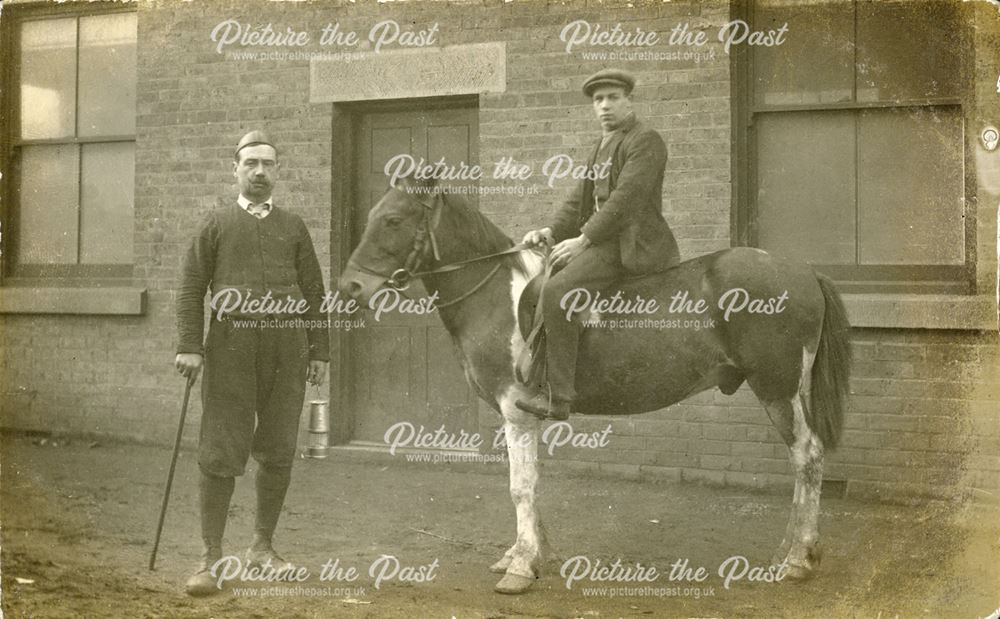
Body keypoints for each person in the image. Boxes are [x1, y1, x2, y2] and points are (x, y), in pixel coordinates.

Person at [174, 130, 329, 596]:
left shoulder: (294, 226)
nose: (260, 172)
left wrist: (319, 349)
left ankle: (261, 549)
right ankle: (211, 557)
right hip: (231, 347)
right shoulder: (216, 223)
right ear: (235, 170)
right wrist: (190, 346)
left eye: (268, 164)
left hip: (287, 348)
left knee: (279, 447)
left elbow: (315, 293)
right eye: (251, 164)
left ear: (277, 171)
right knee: (221, 447)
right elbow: (189, 290)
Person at [517, 69, 680, 420]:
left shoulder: (645, 140)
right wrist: (550, 231)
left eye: (613, 98)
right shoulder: (600, 147)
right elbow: (580, 201)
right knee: (543, 280)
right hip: (603, 242)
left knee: (559, 290)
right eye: (598, 100)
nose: (605, 106)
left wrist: (583, 240)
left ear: (629, 100)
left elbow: (627, 199)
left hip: (632, 245)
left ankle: (557, 398)